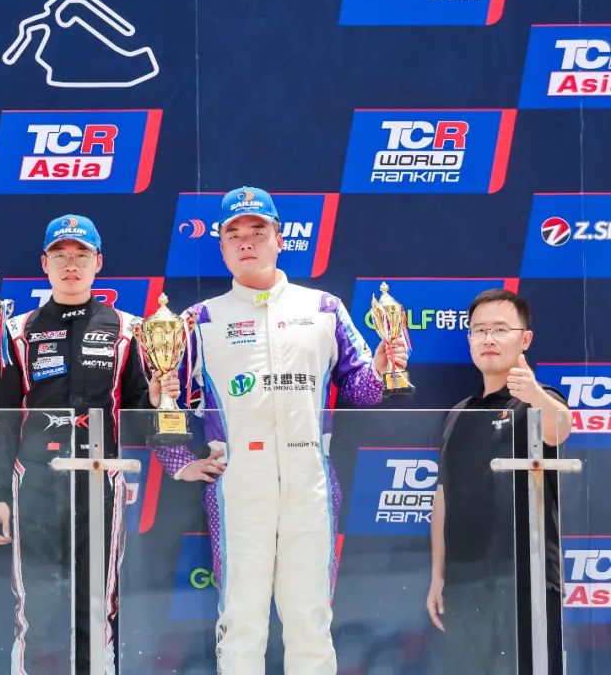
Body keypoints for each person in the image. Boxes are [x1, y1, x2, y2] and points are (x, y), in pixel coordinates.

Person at [153, 186, 408, 675]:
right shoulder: (198, 320)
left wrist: (381, 367)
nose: (246, 241)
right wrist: (179, 462)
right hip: (238, 483)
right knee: (241, 620)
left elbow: (361, 392)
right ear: (222, 246)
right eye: (234, 234)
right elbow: (165, 398)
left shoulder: (324, 308)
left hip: (310, 479)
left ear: (279, 239)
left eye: (258, 230)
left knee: (310, 619)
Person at [0, 214, 163, 675]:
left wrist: (161, 398)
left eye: (81, 255)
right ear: (44, 263)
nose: (70, 265)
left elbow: (142, 416)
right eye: (60, 255)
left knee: (98, 607)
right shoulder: (18, 331)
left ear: (98, 262)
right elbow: (1, 422)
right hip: (36, 485)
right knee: (35, 608)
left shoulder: (128, 329)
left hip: (101, 482)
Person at [426, 289, 570, 675]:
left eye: (501, 329)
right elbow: (443, 496)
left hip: (525, 579)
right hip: (466, 582)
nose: (488, 338)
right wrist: (439, 574)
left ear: (525, 339)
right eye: (480, 330)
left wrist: (534, 394)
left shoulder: (538, 401)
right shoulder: (458, 414)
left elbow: (560, 429)